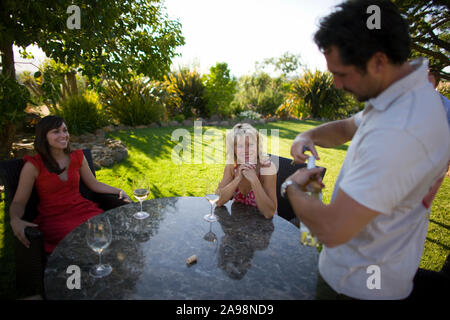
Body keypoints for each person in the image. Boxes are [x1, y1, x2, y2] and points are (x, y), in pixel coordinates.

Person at [282, 0, 450, 299]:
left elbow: (332, 229)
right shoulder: (397, 95)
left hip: (360, 289)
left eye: (342, 74)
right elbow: (348, 127)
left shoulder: (402, 130)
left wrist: (291, 188)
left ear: (378, 62)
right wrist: (308, 134)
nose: (334, 83)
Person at [10, 115, 131, 254]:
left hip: (84, 210)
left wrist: (118, 190)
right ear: (44, 137)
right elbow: (18, 202)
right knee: (84, 241)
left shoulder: (77, 157)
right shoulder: (33, 166)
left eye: (65, 130)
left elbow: (93, 184)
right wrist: (15, 219)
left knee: (109, 232)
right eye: (56, 131)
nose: (63, 135)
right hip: (55, 219)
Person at [215, 123, 277, 219]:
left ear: (257, 146)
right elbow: (219, 201)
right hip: (238, 222)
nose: (246, 150)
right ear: (233, 149)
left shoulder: (267, 168)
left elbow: (269, 213)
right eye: (240, 146)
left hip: (264, 226)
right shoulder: (232, 166)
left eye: (250, 145)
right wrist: (238, 178)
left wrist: (254, 180)